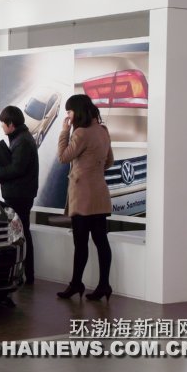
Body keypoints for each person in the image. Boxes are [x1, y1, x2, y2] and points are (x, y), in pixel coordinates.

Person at [56, 94, 114, 301]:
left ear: (77, 111)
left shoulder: (80, 133)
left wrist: (64, 131)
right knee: (101, 241)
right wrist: (93, 171)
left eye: (69, 111)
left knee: (80, 243)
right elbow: (110, 161)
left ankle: (76, 284)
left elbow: (63, 157)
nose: (68, 116)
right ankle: (104, 285)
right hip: (100, 194)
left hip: (82, 196)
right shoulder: (103, 130)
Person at [0, 105, 39, 285]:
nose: (1, 127)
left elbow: (17, 168)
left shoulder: (22, 141)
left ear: (11, 124)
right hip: (20, 192)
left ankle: (26, 274)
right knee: (22, 233)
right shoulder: (21, 138)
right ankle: (25, 274)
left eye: (3, 124)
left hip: (19, 194)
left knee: (20, 234)